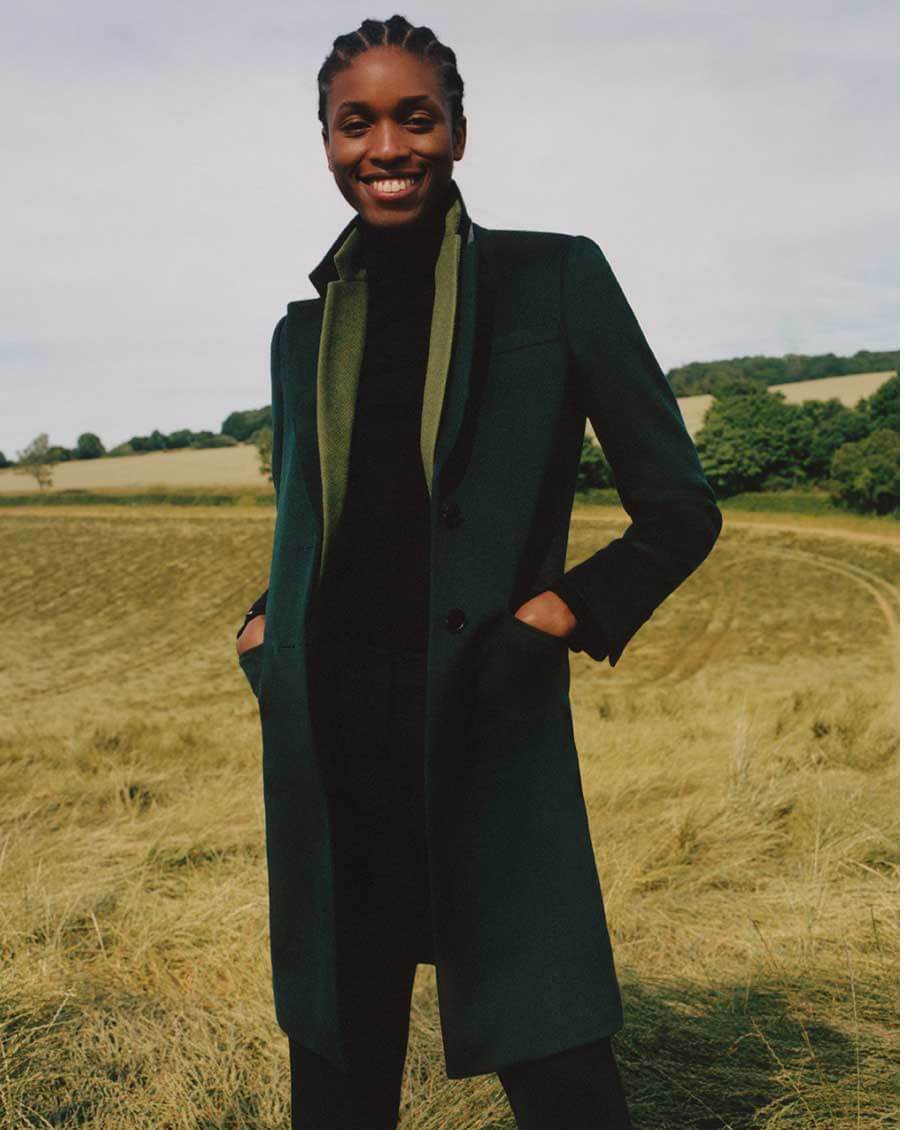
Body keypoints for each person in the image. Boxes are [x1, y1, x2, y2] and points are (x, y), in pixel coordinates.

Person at [236, 14, 721, 1128]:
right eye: (355, 123)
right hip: (331, 733)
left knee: (555, 1062)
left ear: (457, 132)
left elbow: (680, 507)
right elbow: (321, 524)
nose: (386, 145)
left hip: (482, 715)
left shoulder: (553, 278)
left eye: (415, 116)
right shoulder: (297, 335)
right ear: (324, 141)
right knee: (339, 1067)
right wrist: (268, 631)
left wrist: (561, 612)